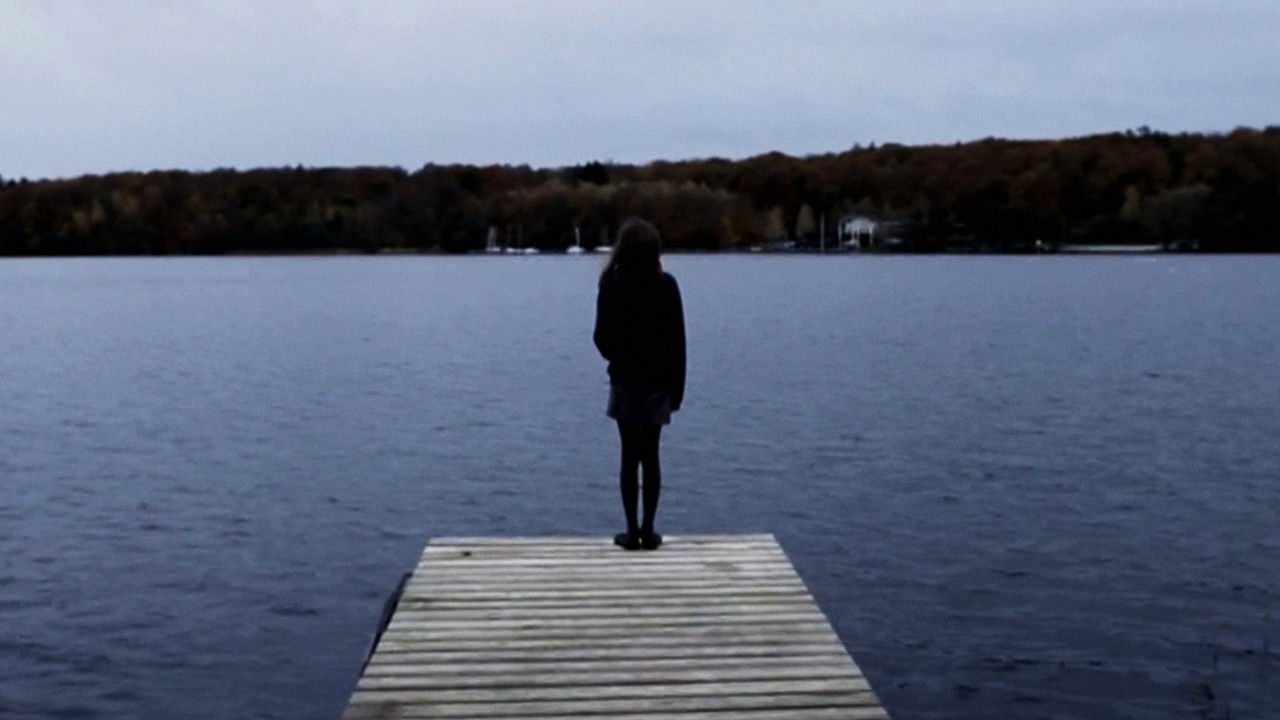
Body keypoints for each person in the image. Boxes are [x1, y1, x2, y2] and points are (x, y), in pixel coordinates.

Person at [593, 218, 686, 551]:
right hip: (659, 383)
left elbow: (601, 339)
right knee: (652, 456)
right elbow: (678, 343)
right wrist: (677, 392)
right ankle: (649, 531)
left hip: (625, 382)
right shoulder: (667, 286)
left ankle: (631, 532)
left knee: (629, 457)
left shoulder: (611, 284)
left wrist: (619, 355)